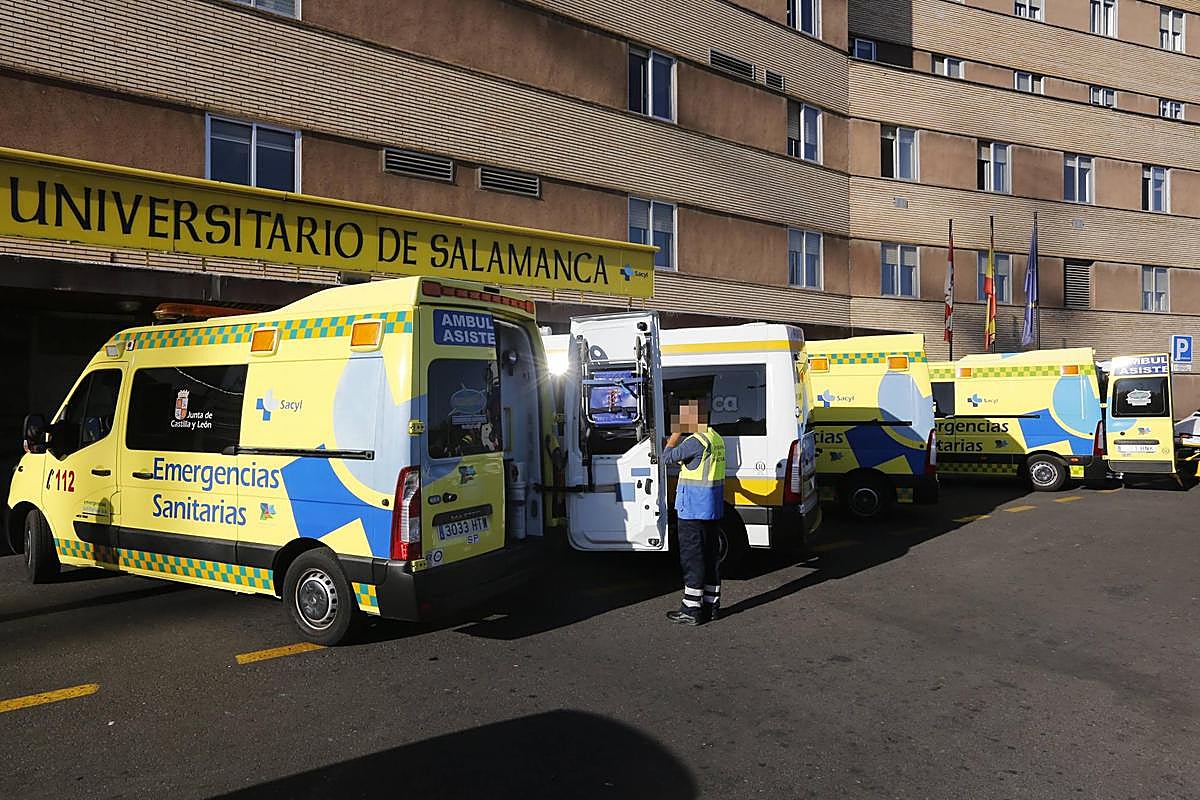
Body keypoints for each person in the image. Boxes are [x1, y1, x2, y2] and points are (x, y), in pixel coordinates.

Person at [661, 397, 726, 625]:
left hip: (693, 510)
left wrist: (674, 436)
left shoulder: (694, 441)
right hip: (712, 508)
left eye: (683, 417)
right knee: (710, 557)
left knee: (693, 559)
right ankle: (711, 606)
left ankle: (691, 610)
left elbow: (666, 458)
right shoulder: (715, 438)